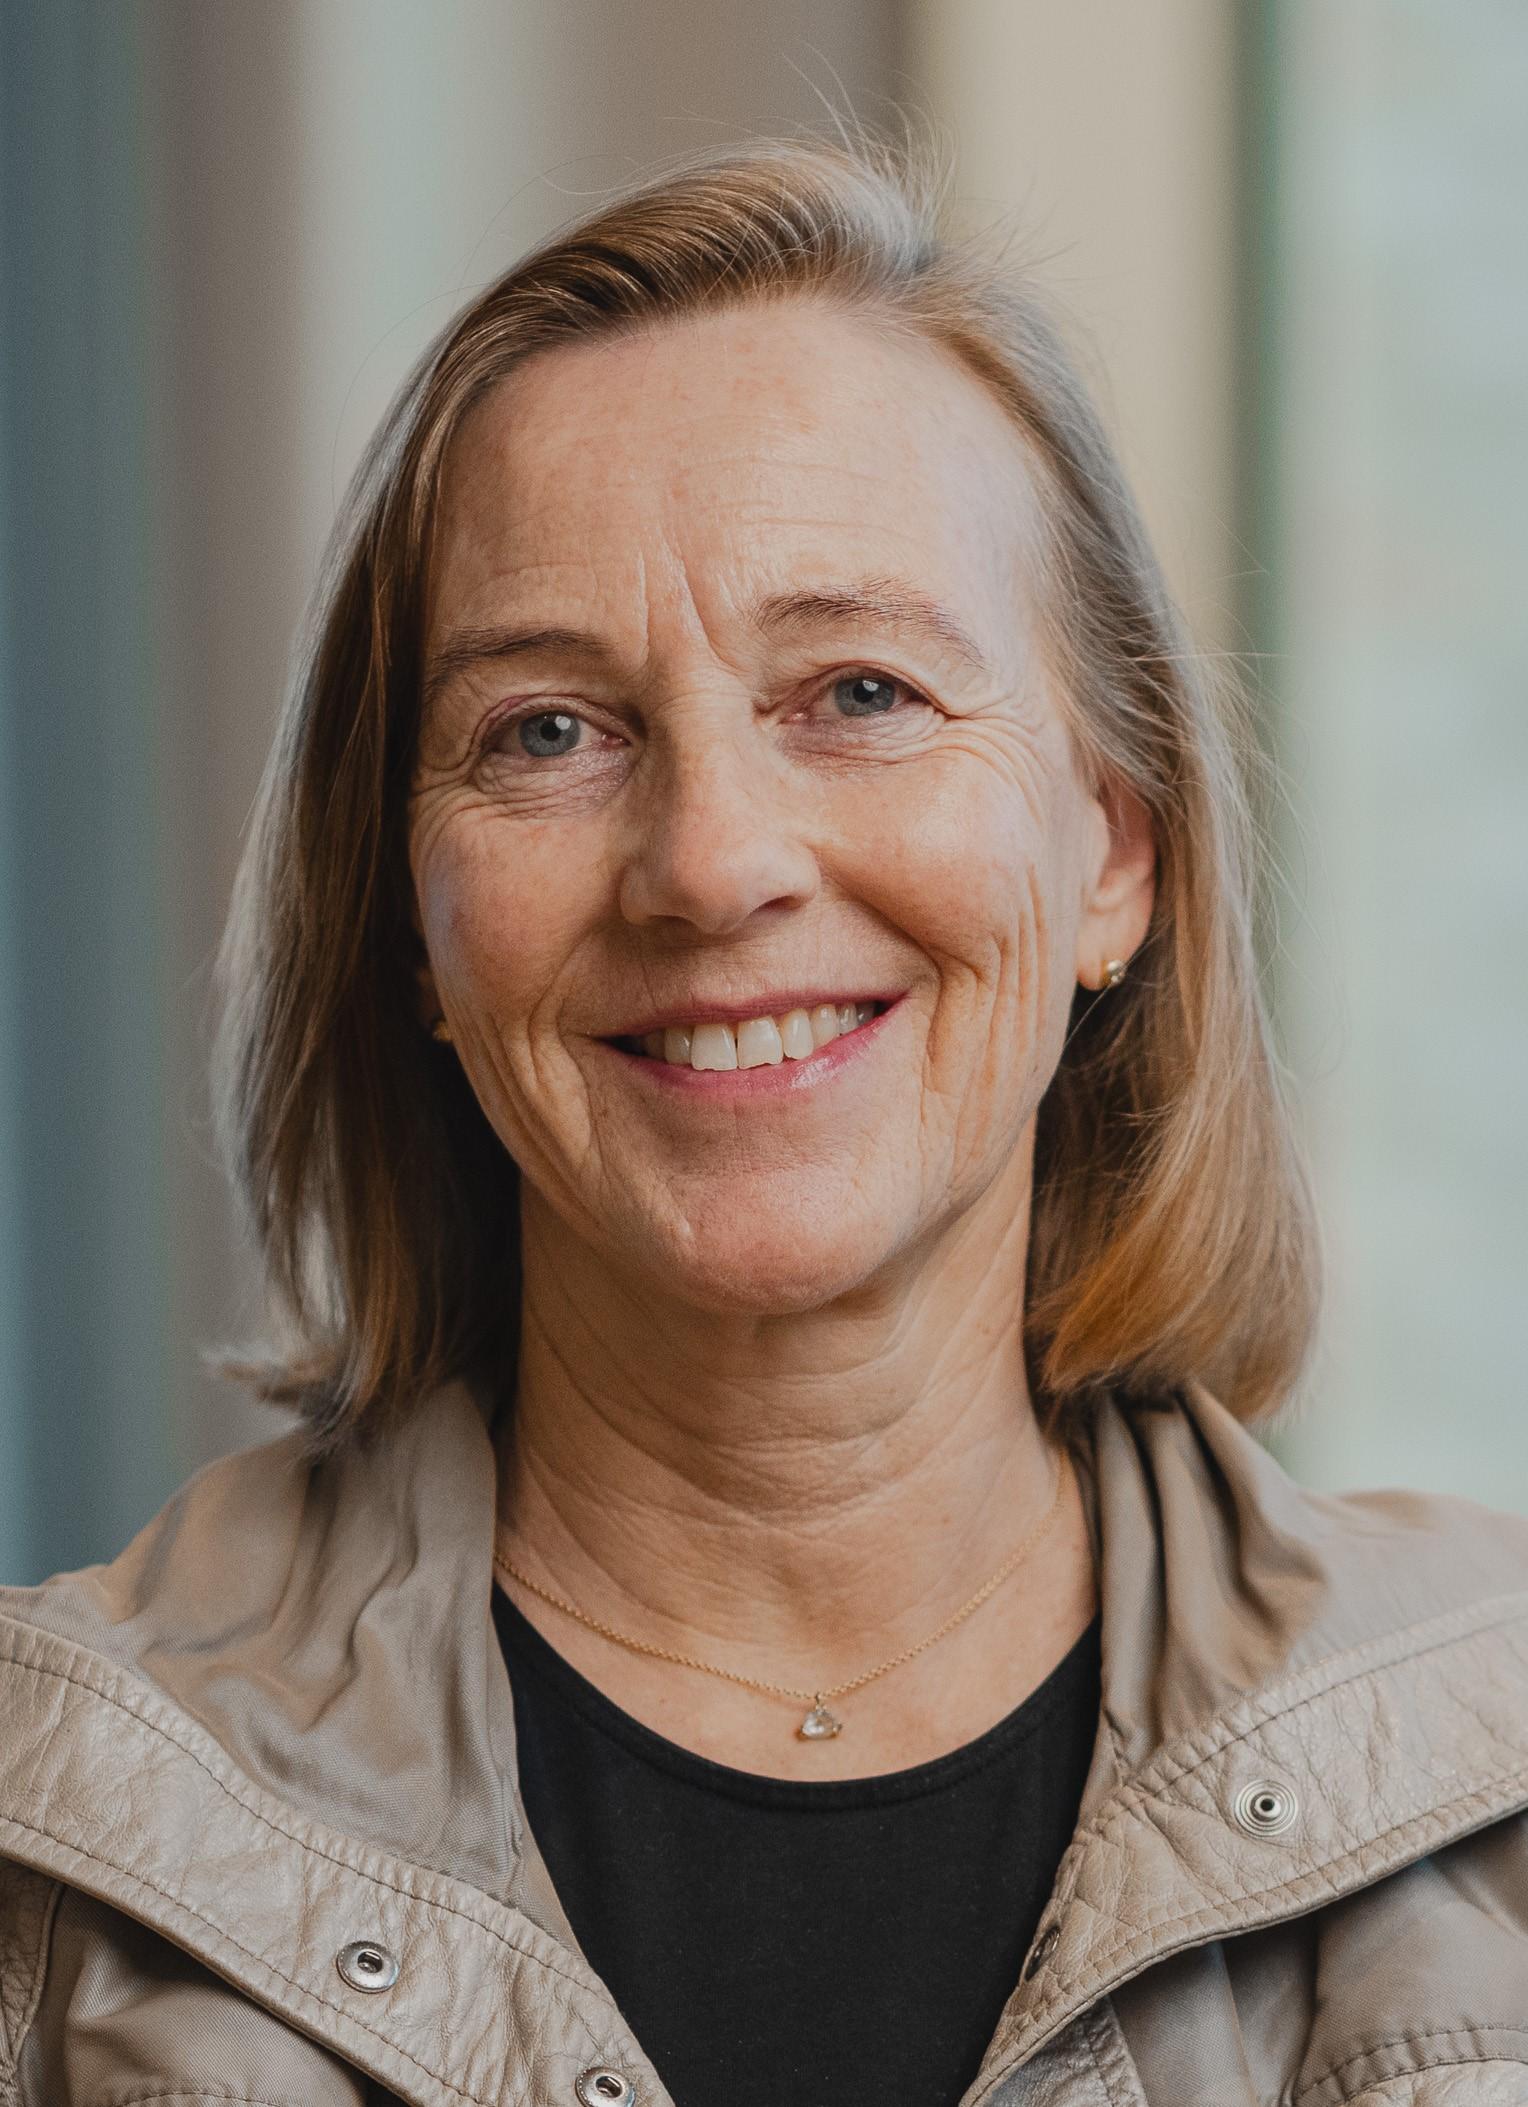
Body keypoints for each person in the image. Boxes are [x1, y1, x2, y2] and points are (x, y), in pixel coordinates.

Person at [2, 133, 1526, 2107]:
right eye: (548, 730)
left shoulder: (1493, 1775)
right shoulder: (49, 1846)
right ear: (412, 928)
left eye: (860, 692)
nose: (711, 864)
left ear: (1110, 854)